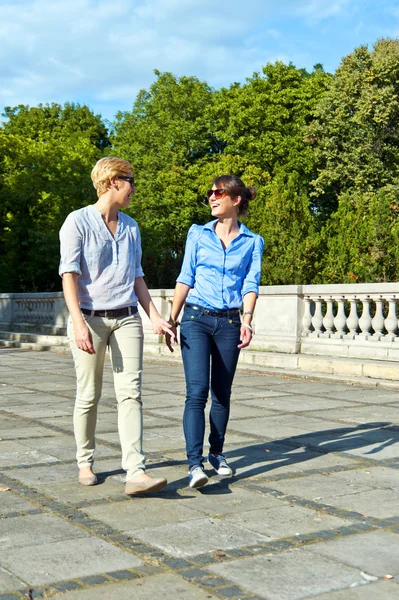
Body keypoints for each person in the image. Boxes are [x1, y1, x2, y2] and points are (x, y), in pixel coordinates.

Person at [59, 156, 175, 495]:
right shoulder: (77, 222)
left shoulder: (131, 226)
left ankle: (135, 471)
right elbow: (69, 275)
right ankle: (85, 460)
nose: (134, 187)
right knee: (89, 394)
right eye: (130, 180)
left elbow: (137, 275)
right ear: (113, 181)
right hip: (90, 319)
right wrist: (78, 324)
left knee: (131, 393)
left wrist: (153, 314)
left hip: (127, 318)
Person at [166, 175, 264, 488]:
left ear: (236, 200)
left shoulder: (252, 242)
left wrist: (247, 320)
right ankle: (194, 464)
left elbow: (251, 284)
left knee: (221, 393)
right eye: (210, 193)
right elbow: (185, 277)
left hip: (230, 323)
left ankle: (216, 454)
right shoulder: (197, 234)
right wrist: (171, 317)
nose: (211, 197)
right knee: (196, 392)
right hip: (195, 319)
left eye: (218, 193)